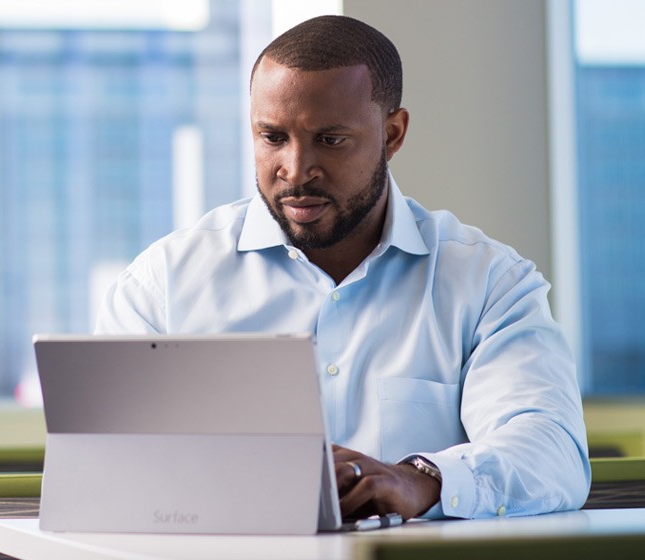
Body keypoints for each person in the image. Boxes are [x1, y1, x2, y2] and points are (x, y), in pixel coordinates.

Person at [95, 15, 590, 520]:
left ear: (393, 134)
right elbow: (106, 468)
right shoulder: (163, 284)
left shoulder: (487, 282)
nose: (296, 168)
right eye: (272, 137)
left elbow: (552, 450)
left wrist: (423, 478)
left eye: (330, 140)